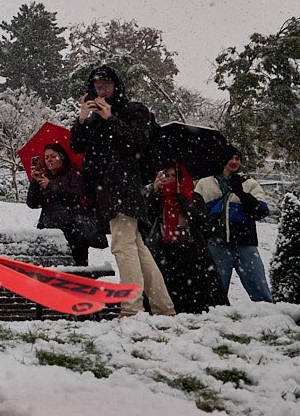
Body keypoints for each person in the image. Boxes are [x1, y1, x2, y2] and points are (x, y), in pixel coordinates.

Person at [70, 65, 176, 318]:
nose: (101, 88)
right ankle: (164, 308)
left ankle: (131, 308)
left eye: (106, 83)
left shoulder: (133, 110)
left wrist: (111, 117)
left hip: (125, 187)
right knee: (137, 249)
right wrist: (83, 118)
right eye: (96, 85)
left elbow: (138, 141)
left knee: (122, 247)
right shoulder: (93, 117)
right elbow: (77, 146)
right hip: (105, 190)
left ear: (116, 85)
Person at [145, 162, 229, 313]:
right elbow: (147, 217)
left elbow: (203, 223)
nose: (171, 179)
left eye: (175, 176)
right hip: (164, 251)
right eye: (167, 176)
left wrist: (184, 203)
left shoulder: (193, 197)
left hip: (191, 250)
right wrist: (155, 192)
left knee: (195, 294)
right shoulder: (160, 197)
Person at [193, 146, 273, 303]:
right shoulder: (205, 183)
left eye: (237, 159)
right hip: (217, 244)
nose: (234, 162)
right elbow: (198, 213)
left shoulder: (249, 183)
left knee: (259, 288)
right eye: (231, 158)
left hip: (245, 243)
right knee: (215, 294)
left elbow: (261, 211)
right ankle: (216, 322)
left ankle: (270, 319)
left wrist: (242, 195)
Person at [26, 143, 100, 266]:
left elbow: (77, 194)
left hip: (73, 230)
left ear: (62, 157)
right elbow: (32, 203)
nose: (49, 160)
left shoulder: (73, 173)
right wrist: (35, 181)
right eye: (46, 157)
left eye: (53, 156)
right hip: (49, 229)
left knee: (77, 268)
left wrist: (51, 186)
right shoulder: (45, 178)